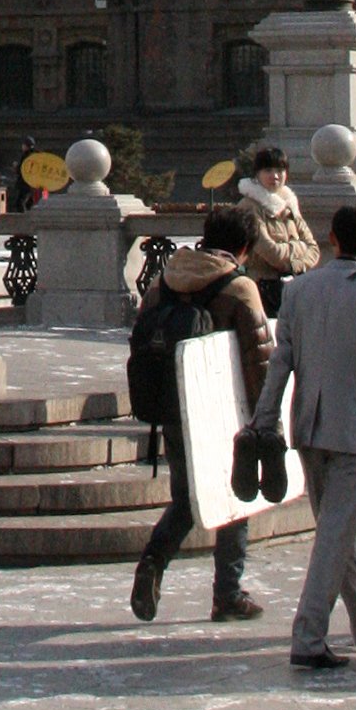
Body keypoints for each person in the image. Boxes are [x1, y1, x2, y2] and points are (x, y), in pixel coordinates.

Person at [251, 207, 356, 672]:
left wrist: (264, 419)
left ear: (331, 238)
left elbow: (281, 361)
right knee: (336, 533)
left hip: (309, 426)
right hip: (355, 426)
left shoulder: (300, 289)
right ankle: (309, 634)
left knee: (338, 530)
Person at [127, 207, 270, 626]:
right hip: (226, 411)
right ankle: (228, 593)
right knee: (236, 496)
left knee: (188, 499)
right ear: (244, 247)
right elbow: (259, 359)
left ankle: (153, 561)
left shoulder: (164, 282)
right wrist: (266, 420)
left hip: (174, 407)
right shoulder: (239, 287)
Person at [236, 144, 318, 312]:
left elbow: (314, 249)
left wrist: (295, 265)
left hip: (295, 287)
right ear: (256, 174)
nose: (275, 176)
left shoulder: (289, 203)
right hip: (262, 290)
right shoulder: (249, 206)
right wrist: (299, 247)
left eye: (280, 170)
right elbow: (272, 253)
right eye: (268, 171)